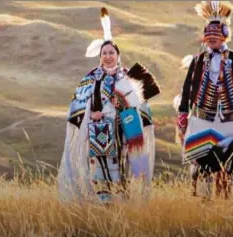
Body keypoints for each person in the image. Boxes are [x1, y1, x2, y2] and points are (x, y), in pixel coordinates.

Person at [57, 8, 160, 203]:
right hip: (98, 133)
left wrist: (123, 105)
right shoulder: (91, 78)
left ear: (118, 55)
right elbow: (78, 102)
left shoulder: (128, 77)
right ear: (100, 56)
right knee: (98, 172)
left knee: (121, 169)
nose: (108, 56)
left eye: (111, 52)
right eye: (104, 53)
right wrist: (92, 113)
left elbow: (142, 106)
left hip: (123, 132)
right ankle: (102, 207)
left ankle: (121, 205)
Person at [175, 1, 233, 200]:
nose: (212, 39)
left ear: (224, 35)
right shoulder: (197, 62)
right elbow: (187, 92)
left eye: (216, 35)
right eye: (208, 35)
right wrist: (182, 121)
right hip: (202, 122)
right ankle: (205, 208)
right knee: (203, 167)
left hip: (231, 122)